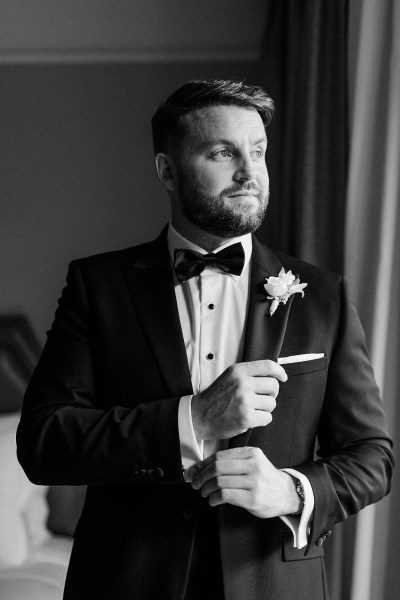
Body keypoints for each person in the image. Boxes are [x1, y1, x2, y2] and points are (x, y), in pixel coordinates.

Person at [17, 79, 393, 600]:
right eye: (223, 152)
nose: (249, 171)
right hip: (125, 582)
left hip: (274, 584)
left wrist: (290, 490)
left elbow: (372, 456)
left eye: (257, 152)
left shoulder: (323, 295)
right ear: (167, 171)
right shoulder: (98, 287)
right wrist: (192, 419)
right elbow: (43, 443)